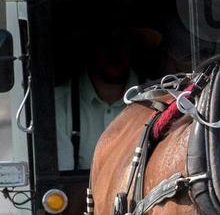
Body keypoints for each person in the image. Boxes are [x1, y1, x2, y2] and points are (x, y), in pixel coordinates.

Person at [54, 17, 161, 170]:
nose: (114, 51)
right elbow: (63, 181)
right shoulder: (60, 104)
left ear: (132, 47)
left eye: (122, 41)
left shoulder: (158, 99)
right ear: (89, 47)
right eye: (106, 42)